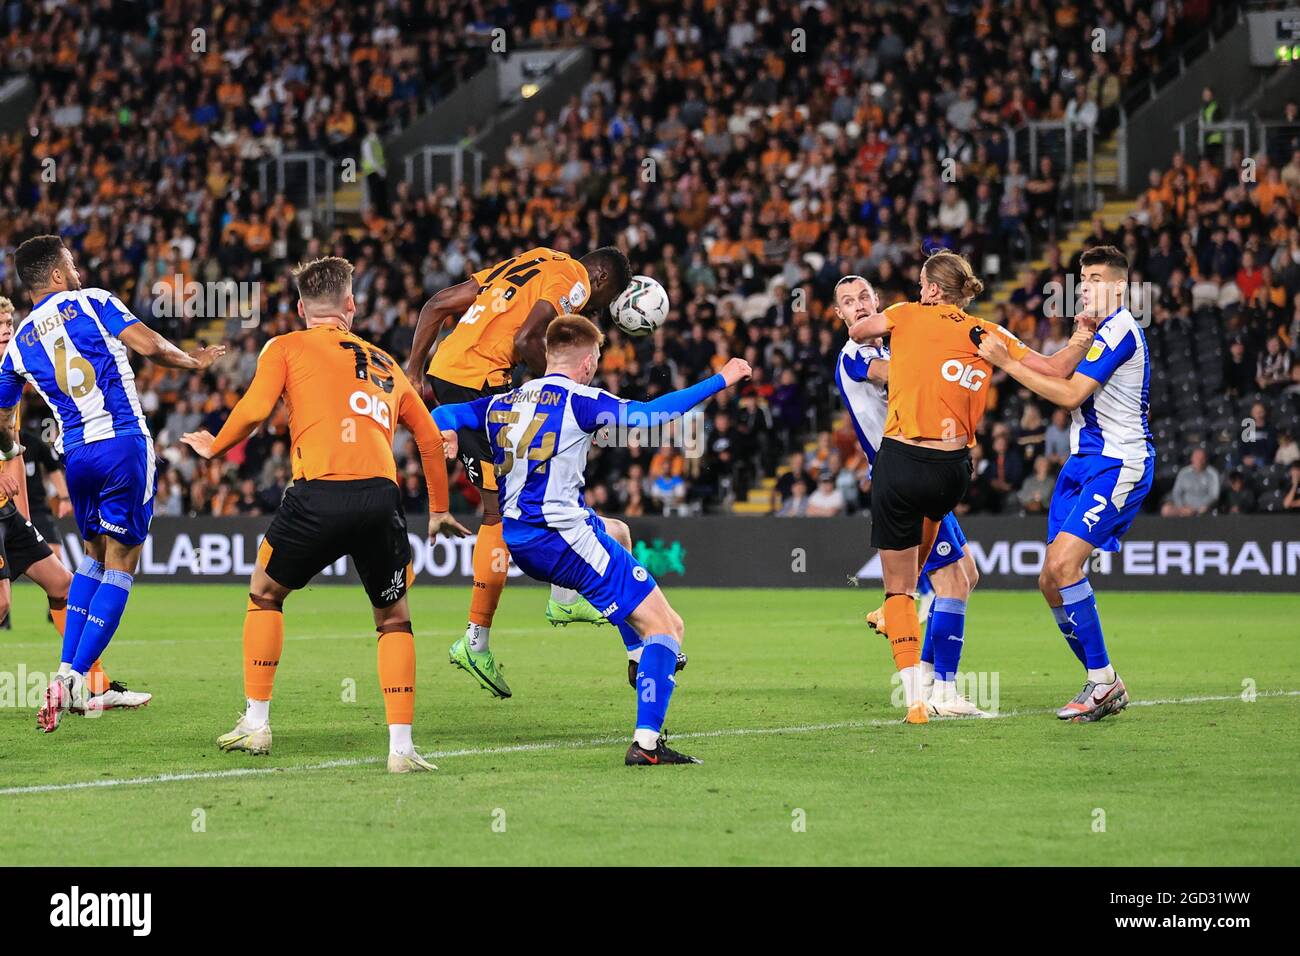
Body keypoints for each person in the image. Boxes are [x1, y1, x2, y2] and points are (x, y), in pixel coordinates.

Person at [182, 256, 469, 773]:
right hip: (381, 498)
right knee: (394, 619)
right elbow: (429, 440)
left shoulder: (286, 347)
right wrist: (440, 510)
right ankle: (400, 749)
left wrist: (216, 447)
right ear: (351, 305)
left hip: (318, 495)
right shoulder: (385, 363)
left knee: (265, 594)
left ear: (299, 308)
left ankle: (257, 721)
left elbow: (253, 408)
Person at [432, 314, 751, 765]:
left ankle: (637, 653)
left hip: (519, 536)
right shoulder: (581, 400)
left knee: (618, 531)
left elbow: (442, 412)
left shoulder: (502, 402)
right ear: (586, 361)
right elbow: (650, 416)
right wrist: (721, 379)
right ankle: (646, 745)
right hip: (562, 538)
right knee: (669, 627)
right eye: (596, 360)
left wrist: (442, 433)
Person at [848, 250, 1097, 723]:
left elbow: (860, 332)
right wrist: (1083, 334)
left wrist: (871, 320)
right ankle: (937, 680)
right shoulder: (987, 332)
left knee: (901, 589)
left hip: (900, 463)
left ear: (934, 290)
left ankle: (918, 690)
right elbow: (1056, 368)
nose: (920, 292)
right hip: (952, 473)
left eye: (924, 284)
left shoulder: (905, 315)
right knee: (960, 575)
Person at [2, 236, 220, 732]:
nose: (77, 270)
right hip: (122, 445)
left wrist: (10, 447)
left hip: (76, 456)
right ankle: (75, 679)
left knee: (94, 560)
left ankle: (65, 672)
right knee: (122, 564)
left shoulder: (18, 343)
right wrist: (194, 361)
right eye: (71, 264)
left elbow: (1, 414)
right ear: (56, 275)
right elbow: (151, 346)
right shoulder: (95, 301)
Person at [404, 246, 632, 699]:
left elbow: (437, 305)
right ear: (601, 278)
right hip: (481, 382)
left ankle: (550, 606)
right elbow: (528, 339)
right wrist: (554, 389)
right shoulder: (575, 279)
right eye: (601, 304)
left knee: (527, 481)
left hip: (450, 374)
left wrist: (415, 371)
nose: (591, 309)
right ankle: (479, 639)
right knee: (499, 511)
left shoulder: (534, 260)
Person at [976, 245, 1153, 722]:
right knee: (1049, 580)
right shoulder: (1095, 330)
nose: (1087, 285)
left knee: (1063, 563)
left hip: (1119, 462)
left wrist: (1006, 364)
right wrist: (1021, 346)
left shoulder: (1121, 329)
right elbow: (1056, 368)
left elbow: (1071, 392)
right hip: (1082, 462)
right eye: (1083, 277)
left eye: (1096, 277)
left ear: (1119, 286)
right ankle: (1104, 678)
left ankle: (1101, 681)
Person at [833, 274, 987, 717]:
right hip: (903, 474)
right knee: (953, 580)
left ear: (877, 301)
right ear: (840, 315)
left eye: (864, 296)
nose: (859, 305)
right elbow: (892, 375)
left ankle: (924, 672)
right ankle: (942, 692)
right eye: (848, 301)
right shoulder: (855, 355)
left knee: (966, 575)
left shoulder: (893, 341)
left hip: (920, 467)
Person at [1161, 447, 1220, 516]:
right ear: (1192, 459)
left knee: (1204, 510)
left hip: (1202, 508)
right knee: (1166, 510)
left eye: (1202, 458)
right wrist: (1182, 506)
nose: (1199, 461)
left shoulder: (1213, 474)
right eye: (1197, 458)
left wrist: (1198, 508)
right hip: (1184, 507)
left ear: (1205, 460)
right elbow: (1176, 492)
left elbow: (1214, 496)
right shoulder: (1184, 472)